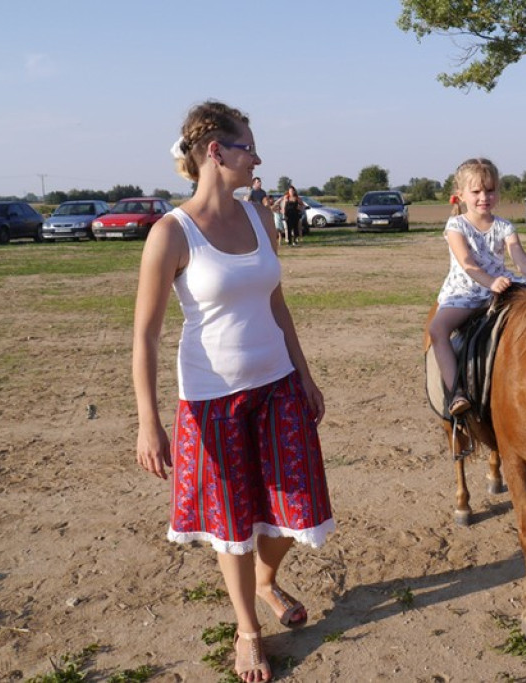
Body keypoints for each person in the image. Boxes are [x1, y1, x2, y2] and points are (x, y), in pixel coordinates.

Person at [134, 101, 334, 683]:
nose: (258, 157)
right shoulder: (172, 232)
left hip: (277, 386)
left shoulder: (261, 218)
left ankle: (266, 581)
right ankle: (248, 631)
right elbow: (144, 337)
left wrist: (304, 373)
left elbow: (276, 303)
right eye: (248, 146)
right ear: (216, 153)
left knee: (299, 510)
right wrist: (151, 422)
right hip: (211, 399)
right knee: (234, 522)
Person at [428, 157, 526, 416]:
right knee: (438, 330)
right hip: (466, 292)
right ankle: (455, 392)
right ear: (460, 195)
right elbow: (467, 263)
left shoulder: (504, 226)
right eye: (476, 191)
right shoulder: (456, 226)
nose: (484, 197)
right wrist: (490, 282)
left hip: (500, 287)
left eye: (490, 190)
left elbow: (519, 258)